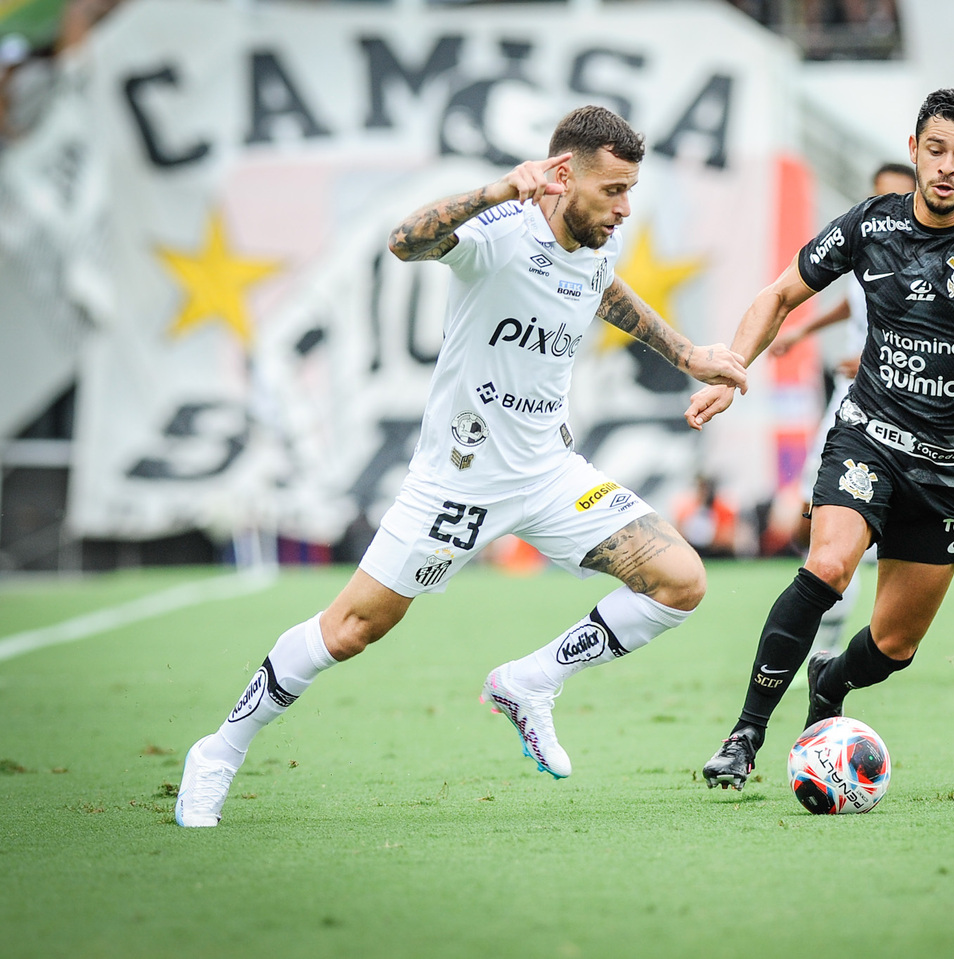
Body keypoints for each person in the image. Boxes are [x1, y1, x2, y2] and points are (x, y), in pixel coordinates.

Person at [175, 106, 748, 826]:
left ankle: (530, 682)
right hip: (458, 480)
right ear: (562, 176)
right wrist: (495, 191)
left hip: (548, 474)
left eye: (630, 191)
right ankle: (218, 752)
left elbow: (601, 289)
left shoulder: (593, 244)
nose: (624, 208)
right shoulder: (499, 235)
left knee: (680, 580)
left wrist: (690, 354)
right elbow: (405, 241)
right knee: (351, 629)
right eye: (612, 191)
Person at [687, 88, 954, 789]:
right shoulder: (870, 224)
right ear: (914, 150)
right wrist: (732, 368)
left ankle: (830, 683)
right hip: (867, 437)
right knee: (830, 566)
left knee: (895, 645)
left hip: (952, 469)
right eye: (935, 150)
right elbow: (780, 293)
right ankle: (745, 735)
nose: (946, 166)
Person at [771, 161, 916, 652]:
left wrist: (877, 357)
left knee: (841, 523)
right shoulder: (867, 243)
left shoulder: (926, 261)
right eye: (881, 196)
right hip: (846, 400)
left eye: (899, 195)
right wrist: (801, 331)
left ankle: (829, 643)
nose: (889, 207)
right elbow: (853, 303)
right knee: (813, 515)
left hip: (894, 402)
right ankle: (828, 635)